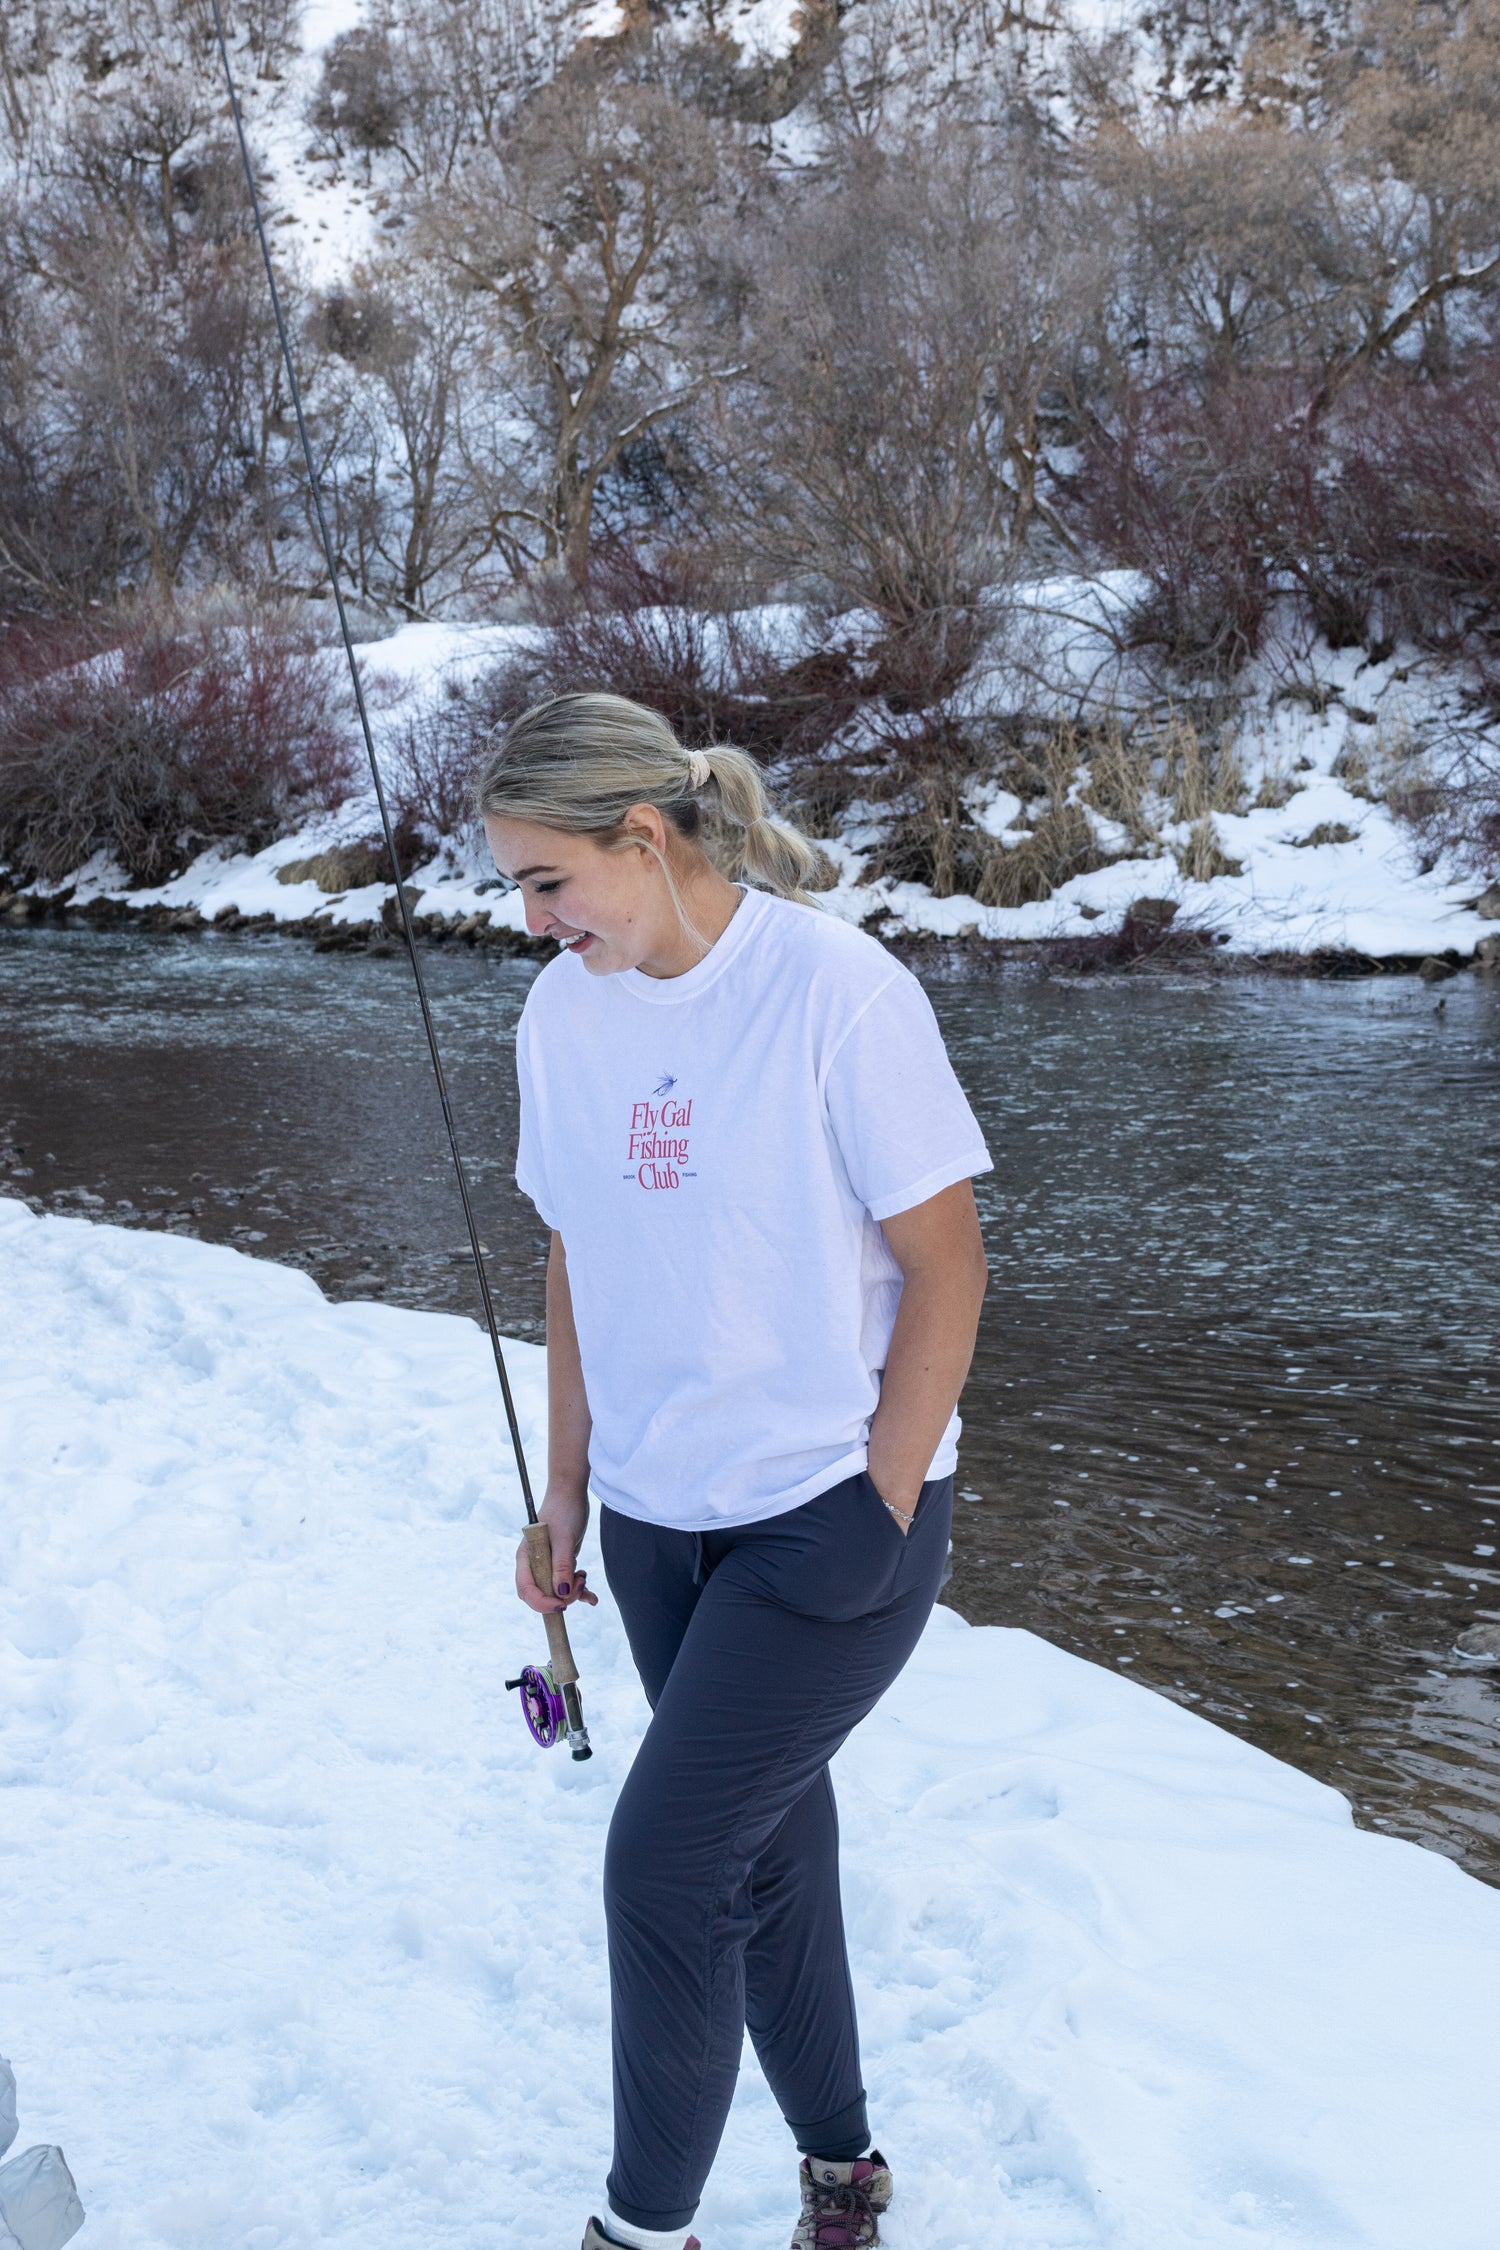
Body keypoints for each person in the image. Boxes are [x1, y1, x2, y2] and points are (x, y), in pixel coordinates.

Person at [476, 693, 991, 2250]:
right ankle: (844, 2170)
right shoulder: (559, 1017)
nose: (530, 918)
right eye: (514, 887)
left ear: (645, 837)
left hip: (827, 1532)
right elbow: (576, 1253)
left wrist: (882, 1496)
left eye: (547, 880)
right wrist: (564, 1492)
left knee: (664, 1860)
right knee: (765, 1843)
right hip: (650, 1532)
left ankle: (643, 2233)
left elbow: (948, 1266)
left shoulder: (837, 988)